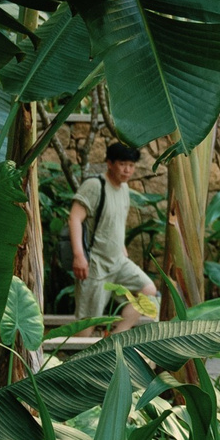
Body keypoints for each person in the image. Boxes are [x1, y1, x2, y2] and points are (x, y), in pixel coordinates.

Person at [67, 141, 154, 329]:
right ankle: (75, 358)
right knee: (87, 325)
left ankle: (115, 342)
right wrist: (78, 256)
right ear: (109, 163)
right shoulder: (95, 186)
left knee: (147, 291)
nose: (127, 170)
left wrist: (121, 246)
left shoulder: (124, 189)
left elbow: (117, 220)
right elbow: (74, 218)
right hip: (96, 265)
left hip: (118, 262)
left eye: (131, 166)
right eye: (123, 164)